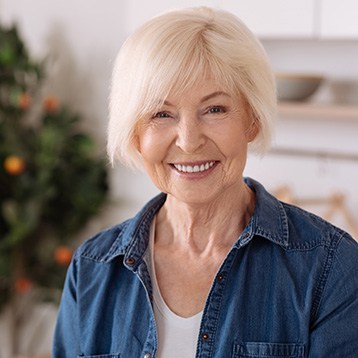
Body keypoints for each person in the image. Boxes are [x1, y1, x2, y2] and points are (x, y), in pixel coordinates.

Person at [53, 6, 358, 358]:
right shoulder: (92, 268)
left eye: (214, 109)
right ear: (135, 134)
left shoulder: (332, 268)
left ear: (253, 119)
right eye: (161, 114)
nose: (188, 140)